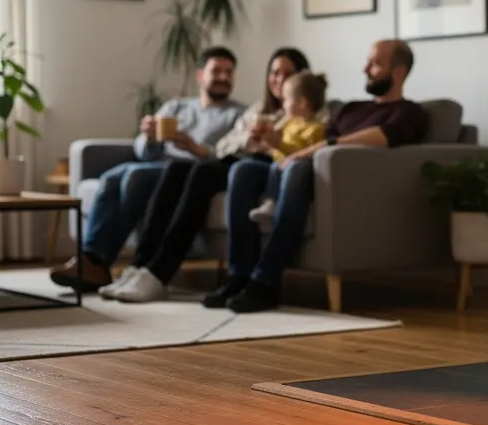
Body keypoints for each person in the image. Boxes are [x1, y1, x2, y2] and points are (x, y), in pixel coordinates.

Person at [208, 39, 429, 313]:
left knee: (298, 169)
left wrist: (323, 148)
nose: (365, 68)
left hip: (328, 178)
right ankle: (238, 276)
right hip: (297, 164)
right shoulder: (351, 109)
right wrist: (276, 143)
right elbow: (310, 136)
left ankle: (265, 282)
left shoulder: (409, 112)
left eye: (374, 64)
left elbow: (382, 137)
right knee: (243, 170)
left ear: (397, 72)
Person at [101, 48, 325, 303]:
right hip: (237, 159)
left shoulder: (309, 112)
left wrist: (274, 143)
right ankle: (141, 266)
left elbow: (318, 138)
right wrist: (247, 140)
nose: (279, 79)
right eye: (274, 73)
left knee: (205, 172)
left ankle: (159, 273)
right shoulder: (255, 111)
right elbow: (223, 147)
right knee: (177, 169)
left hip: (260, 167)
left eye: (288, 73)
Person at [49, 46, 245, 292]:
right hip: (156, 163)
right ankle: (91, 259)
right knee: (110, 178)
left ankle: (100, 264)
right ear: (200, 75)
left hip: (188, 170)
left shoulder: (237, 114)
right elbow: (142, 152)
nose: (223, 77)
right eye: (216, 70)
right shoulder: (176, 107)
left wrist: (197, 148)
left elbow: (232, 155)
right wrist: (149, 137)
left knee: (135, 174)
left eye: (229, 72)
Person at [248, 71, 328, 222]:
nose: (283, 104)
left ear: (302, 103)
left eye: (286, 99)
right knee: (272, 166)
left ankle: (271, 202)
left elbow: (304, 153)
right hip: (280, 163)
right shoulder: (290, 123)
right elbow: (279, 148)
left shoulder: (316, 128)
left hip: (297, 170)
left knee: (277, 168)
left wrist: (279, 144)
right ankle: (270, 201)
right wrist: (268, 143)